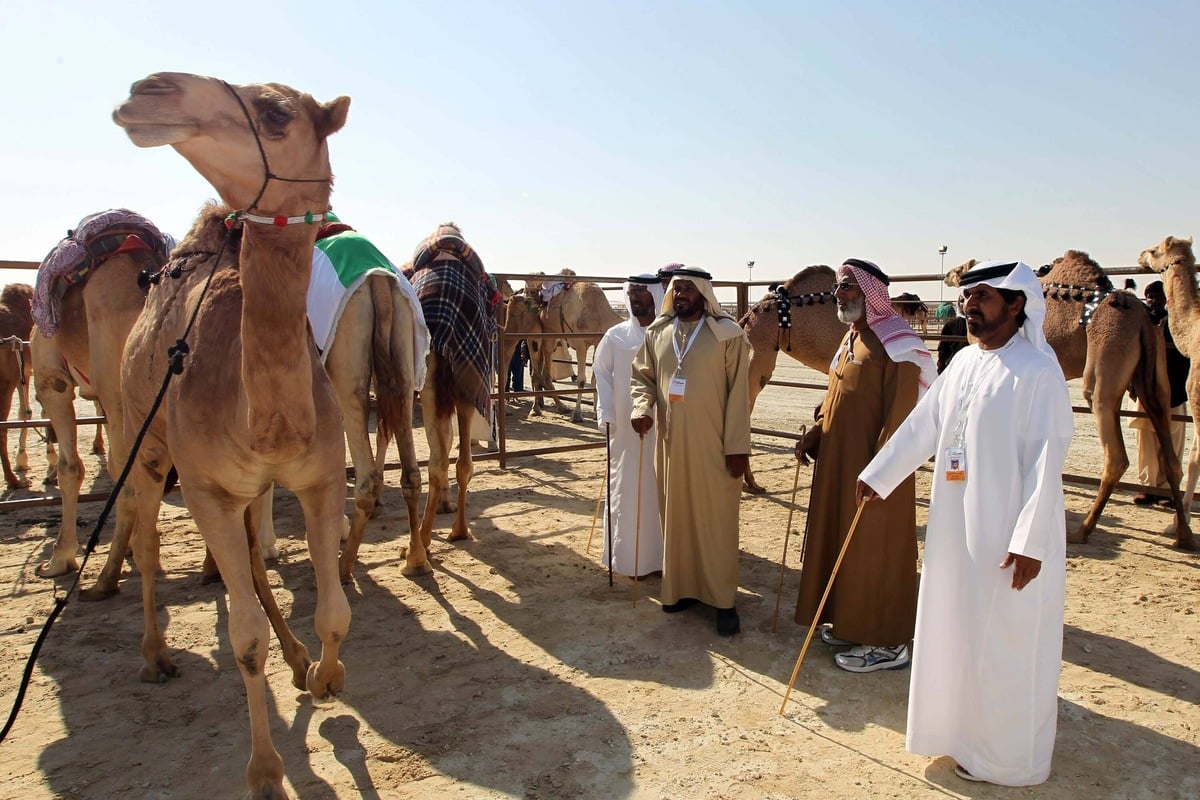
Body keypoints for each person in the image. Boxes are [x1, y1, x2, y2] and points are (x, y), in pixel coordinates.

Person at [856, 260, 1073, 786]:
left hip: (1007, 537)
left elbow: (1048, 463)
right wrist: (879, 475)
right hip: (956, 530)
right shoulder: (963, 364)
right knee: (954, 629)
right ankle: (954, 736)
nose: (969, 306)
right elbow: (923, 425)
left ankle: (1006, 758)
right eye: (967, 298)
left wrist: (1029, 542)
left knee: (1003, 641)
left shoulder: (1038, 373)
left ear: (1016, 304)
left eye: (983, 297)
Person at [793, 259, 936, 673]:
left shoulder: (899, 346)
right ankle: (854, 624)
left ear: (872, 293)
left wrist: (881, 474)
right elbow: (838, 399)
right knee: (845, 545)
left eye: (849, 288)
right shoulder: (852, 338)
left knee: (877, 551)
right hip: (840, 467)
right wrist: (817, 434)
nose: (840, 295)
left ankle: (889, 642)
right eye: (838, 288)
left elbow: (903, 421)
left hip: (877, 475)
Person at [631, 267, 751, 635]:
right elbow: (643, 377)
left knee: (716, 522)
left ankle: (722, 601)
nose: (680, 294)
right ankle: (681, 590)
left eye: (687, 289)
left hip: (715, 445)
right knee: (677, 517)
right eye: (676, 289)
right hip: (671, 445)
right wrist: (641, 408)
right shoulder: (658, 333)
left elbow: (739, 396)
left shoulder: (728, 336)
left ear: (703, 293)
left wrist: (736, 447)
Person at [594, 274, 666, 577]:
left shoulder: (670, 335)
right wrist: (607, 415)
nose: (636, 299)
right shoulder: (615, 336)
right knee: (628, 489)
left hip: (664, 429)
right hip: (625, 429)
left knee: (661, 487)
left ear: (655, 296)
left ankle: (664, 560)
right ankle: (630, 561)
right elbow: (601, 375)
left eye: (643, 293)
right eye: (632, 293)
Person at [1131, 280, 1189, 507]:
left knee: (1172, 442)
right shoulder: (1140, 323)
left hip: (1174, 392)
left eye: (1158, 298)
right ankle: (1148, 487)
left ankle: (1168, 489)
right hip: (1145, 392)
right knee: (1145, 442)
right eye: (1150, 297)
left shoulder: (1178, 325)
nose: (1154, 302)